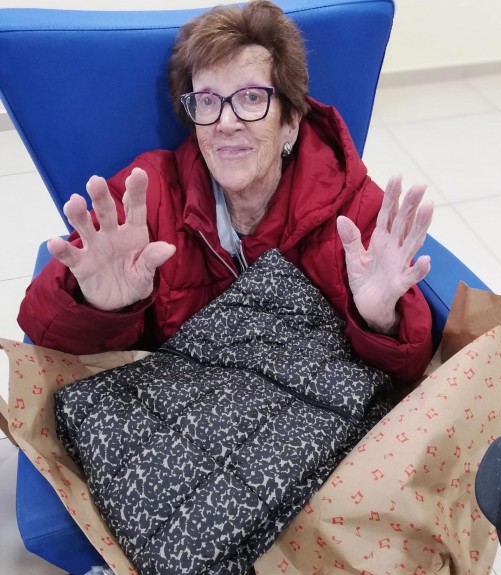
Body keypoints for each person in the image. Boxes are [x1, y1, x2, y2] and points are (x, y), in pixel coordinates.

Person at [18, 0, 433, 384]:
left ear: (290, 120)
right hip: (182, 418)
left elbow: (408, 369)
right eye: (207, 101)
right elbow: (43, 332)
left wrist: (382, 322)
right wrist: (101, 308)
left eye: (251, 97)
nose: (227, 123)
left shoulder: (353, 210)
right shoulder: (147, 193)